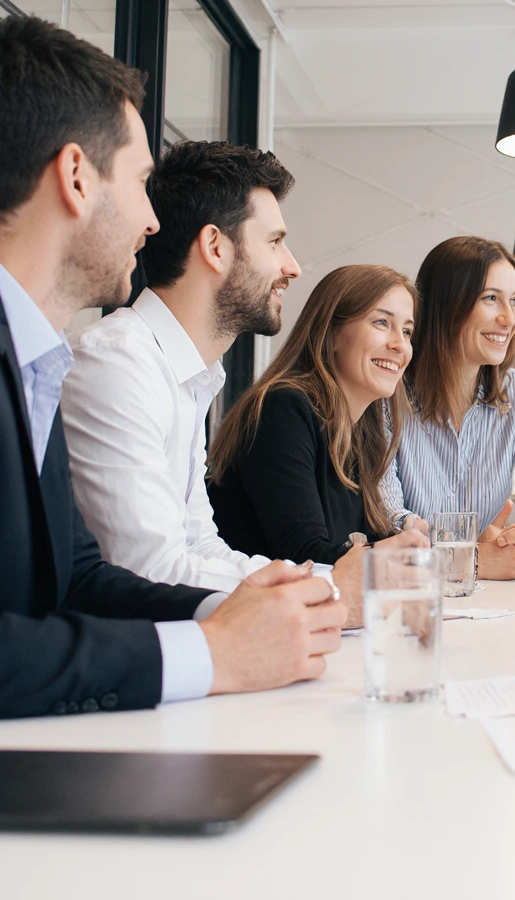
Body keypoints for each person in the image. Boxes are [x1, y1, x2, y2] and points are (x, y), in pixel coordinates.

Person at [0, 14, 344, 719]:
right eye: (138, 181)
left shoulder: (36, 359)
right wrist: (216, 651)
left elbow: (81, 579)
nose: (152, 220)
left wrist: (261, 613)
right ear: (74, 176)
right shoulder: (102, 360)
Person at [59, 139, 333, 595]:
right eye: (275, 242)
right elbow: (150, 568)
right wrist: (331, 590)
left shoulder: (188, 374)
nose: (293, 267)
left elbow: (201, 547)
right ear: (214, 246)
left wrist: (330, 583)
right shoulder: (118, 363)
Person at [207, 265, 430, 612]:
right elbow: (303, 556)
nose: (400, 345)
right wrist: (390, 555)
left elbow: (358, 547)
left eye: (407, 331)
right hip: (250, 623)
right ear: (331, 332)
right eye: (381, 323)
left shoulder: (360, 431)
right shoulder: (283, 408)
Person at [381, 236, 515, 579]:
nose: (509, 318)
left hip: (488, 605)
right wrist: (474, 558)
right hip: (407, 601)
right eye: (491, 299)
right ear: (446, 304)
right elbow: (386, 522)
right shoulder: (388, 391)